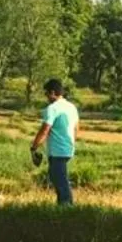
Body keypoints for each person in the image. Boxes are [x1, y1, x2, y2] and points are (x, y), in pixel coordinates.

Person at [30, 78, 79, 206]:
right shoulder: (71, 107)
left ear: (52, 92)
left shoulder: (52, 108)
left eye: (46, 93)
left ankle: (67, 208)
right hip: (68, 149)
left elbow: (45, 129)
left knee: (60, 181)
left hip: (57, 151)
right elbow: (76, 128)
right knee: (58, 178)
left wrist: (34, 147)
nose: (46, 97)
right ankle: (63, 206)